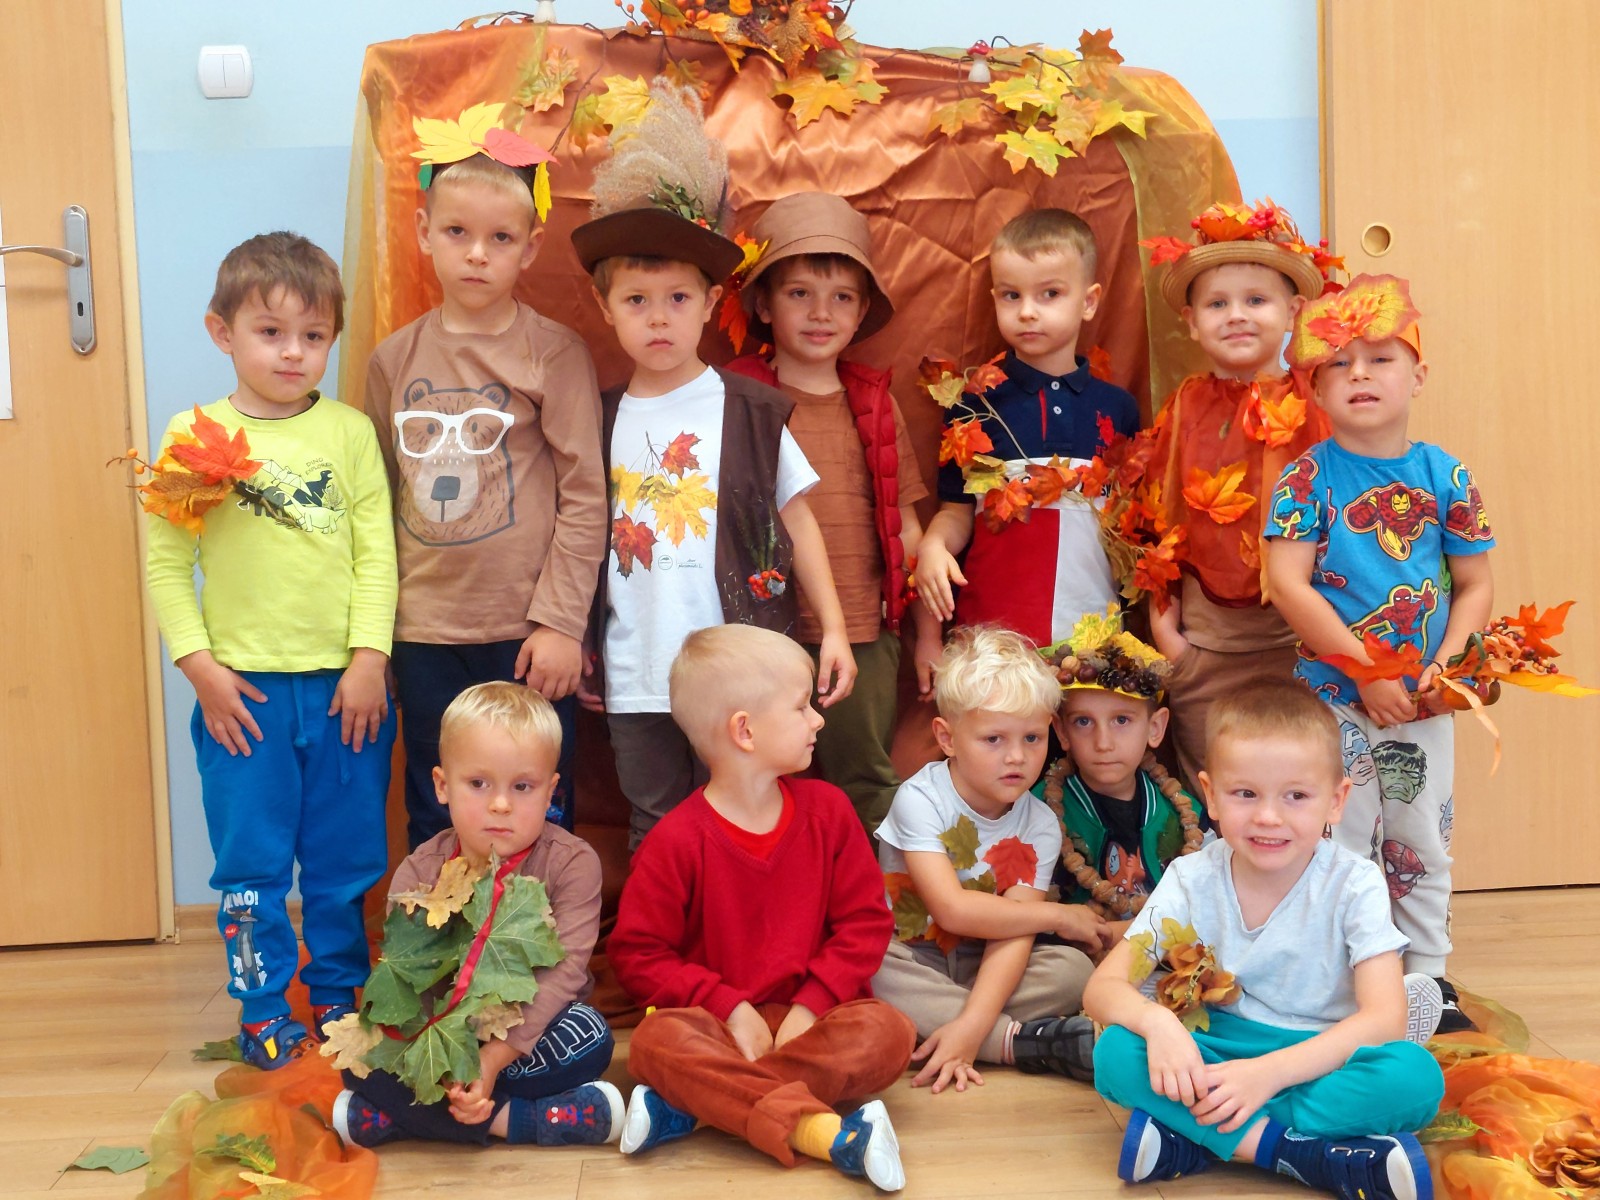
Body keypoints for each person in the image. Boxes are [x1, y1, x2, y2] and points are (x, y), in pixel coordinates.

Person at [571, 80, 855, 847]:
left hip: (740, 670)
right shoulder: (598, 418)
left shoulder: (750, 412)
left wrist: (831, 628)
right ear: (605, 309)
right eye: (636, 301)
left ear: (708, 301)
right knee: (656, 822)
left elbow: (798, 520)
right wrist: (583, 638)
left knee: (745, 814)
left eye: (676, 298)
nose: (658, 318)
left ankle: (741, 926)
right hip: (637, 669)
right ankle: (663, 929)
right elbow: (578, 536)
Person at [144, 232, 396, 1067]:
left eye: (313, 336)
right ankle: (260, 1009)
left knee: (344, 859)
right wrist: (199, 668)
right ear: (222, 333)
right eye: (271, 332)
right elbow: (166, 562)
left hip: (344, 694)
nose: (293, 352)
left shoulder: (349, 433)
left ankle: (336, 998)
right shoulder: (192, 436)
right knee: (250, 863)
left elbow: (376, 555)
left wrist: (369, 658)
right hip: (240, 695)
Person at [1085, 682, 1445, 1199]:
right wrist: (1159, 1025)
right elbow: (1103, 988)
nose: (1268, 817)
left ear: (1336, 801)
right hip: (1220, 1046)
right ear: (1210, 795)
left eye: (1296, 796)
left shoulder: (1355, 883)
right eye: (1245, 794)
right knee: (1116, 1051)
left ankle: (1195, 1137)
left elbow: (1385, 1019)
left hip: (1317, 1055)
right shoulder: (1191, 878)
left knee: (1414, 1078)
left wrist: (1268, 1076)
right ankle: (1297, 1154)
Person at [364, 115, 606, 849]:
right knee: (439, 804)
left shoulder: (553, 353)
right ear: (423, 232)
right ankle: (440, 923)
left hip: (526, 635)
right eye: (457, 232)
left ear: (530, 247)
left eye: (500, 238)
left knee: (533, 807)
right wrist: (375, 637)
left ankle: (535, 923)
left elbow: (585, 495)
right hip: (425, 631)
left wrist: (562, 622)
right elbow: (376, 500)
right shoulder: (393, 360)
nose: (477, 254)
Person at [607, 625, 915, 1191]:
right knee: (652, 1044)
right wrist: (728, 1008)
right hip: (718, 1029)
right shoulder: (674, 842)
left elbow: (866, 923)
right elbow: (638, 954)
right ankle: (826, 1134)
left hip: (817, 1022)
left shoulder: (829, 812)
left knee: (889, 1032)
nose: (818, 720)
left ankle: (696, 1107)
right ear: (744, 731)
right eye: (801, 707)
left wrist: (809, 1008)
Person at [1265, 273, 1494, 1033]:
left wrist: (1445, 669)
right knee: (1342, 838)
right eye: (1338, 363)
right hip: (1334, 701)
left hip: (1424, 703)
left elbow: (1475, 584)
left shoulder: (1445, 475)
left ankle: (1429, 977)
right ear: (1315, 389)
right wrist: (1364, 669)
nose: (1359, 373)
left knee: (1421, 839)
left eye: (1380, 358)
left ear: (1418, 376)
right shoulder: (1307, 477)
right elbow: (1287, 583)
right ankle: (1352, 975)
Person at [330, 682, 622, 1148]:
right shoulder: (419, 871)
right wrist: (449, 1065)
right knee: (357, 1053)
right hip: (445, 1035)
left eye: (522, 787)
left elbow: (566, 974)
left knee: (590, 1035)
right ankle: (520, 1119)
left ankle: (402, 1118)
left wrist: (491, 1061)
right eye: (479, 784)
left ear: (551, 792)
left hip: (533, 1031)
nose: (500, 804)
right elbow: (408, 986)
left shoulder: (573, 863)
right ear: (442, 786)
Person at [725, 192, 928, 833]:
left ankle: (868, 887)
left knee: (862, 775)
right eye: (799, 294)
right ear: (763, 305)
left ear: (863, 311)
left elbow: (907, 527)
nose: (821, 313)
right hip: (761, 629)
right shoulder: (735, 396)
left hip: (864, 629)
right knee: (761, 774)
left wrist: (927, 636)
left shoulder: (874, 403)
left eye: (841, 297)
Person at [1141, 200, 1334, 792]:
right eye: (1217, 304)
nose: (1237, 316)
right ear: (1192, 322)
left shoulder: (1318, 402)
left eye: (1256, 300)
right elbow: (1155, 523)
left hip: (1303, 643)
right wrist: (1171, 641)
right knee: (1217, 795)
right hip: (1208, 649)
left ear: (1293, 311)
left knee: (1299, 792)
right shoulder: (1186, 406)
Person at [870, 626, 1112, 1094]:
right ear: (947, 738)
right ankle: (1019, 1043)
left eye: (1033, 738)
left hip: (985, 960)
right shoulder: (921, 798)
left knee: (1072, 971)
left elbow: (1015, 932)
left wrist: (971, 1023)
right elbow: (952, 910)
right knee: (869, 969)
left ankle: (954, 1028)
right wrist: (1059, 916)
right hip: (910, 955)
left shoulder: (1039, 823)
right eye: (994, 739)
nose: (1017, 757)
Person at [914, 208, 1140, 652]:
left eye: (1050, 293)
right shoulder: (973, 406)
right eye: (1011, 295)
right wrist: (935, 545)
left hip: (1092, 640)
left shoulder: (1119, 409)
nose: (1028, 312)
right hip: (990, 641)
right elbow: (957, 510)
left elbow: (1131, 529)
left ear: (1089, 301)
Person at [1034, 609, 1206, 935]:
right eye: (1083, 721)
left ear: (1155, 728)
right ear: (1062, 732)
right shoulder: (1037, 811)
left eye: (1122, 720)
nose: (1103, 743)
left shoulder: (1187, 815)